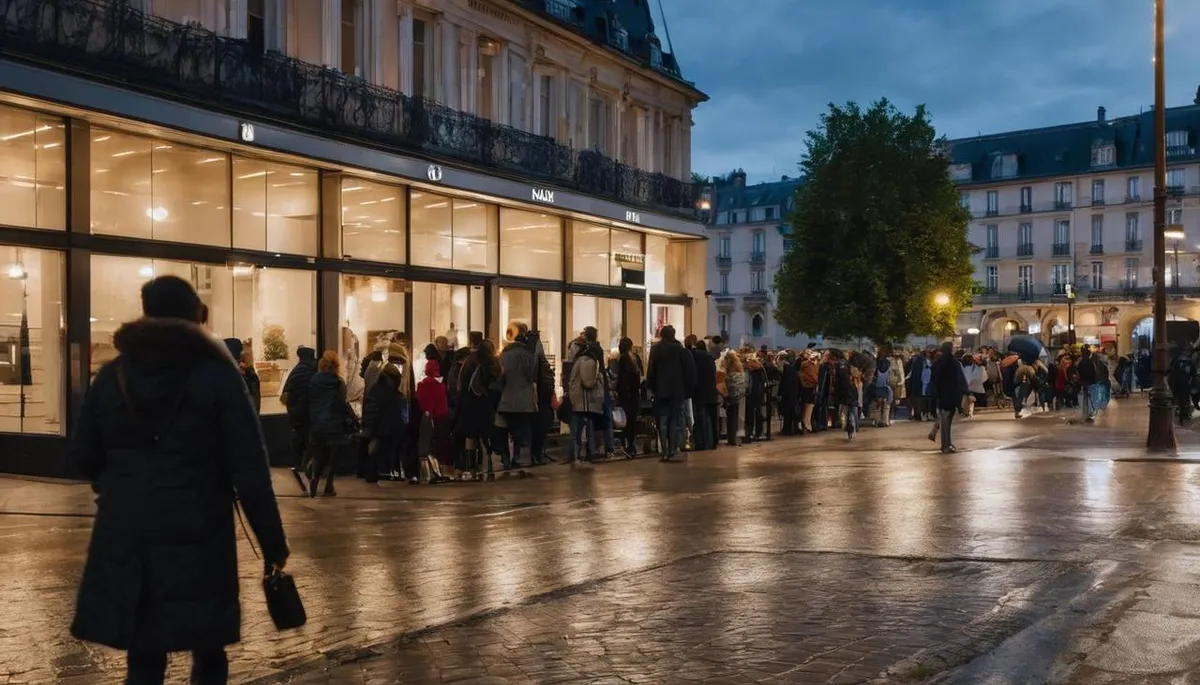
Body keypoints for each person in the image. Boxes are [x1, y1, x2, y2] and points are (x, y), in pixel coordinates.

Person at [69, 276, 288, 685]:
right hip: (200, 531)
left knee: (144, 650)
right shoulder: (219, 377)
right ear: (196, 317)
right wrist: (273, 544)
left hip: (130, 532)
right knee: (207, 648)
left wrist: (122, 482)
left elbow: (82, 456)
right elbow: (250, 467)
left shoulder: (113, 375)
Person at [307, 350, 354, 496]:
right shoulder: (339, 382)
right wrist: (350, 417)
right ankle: (329, 485)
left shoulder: (313, 380)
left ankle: (315, 477)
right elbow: (342, 403)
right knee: (333, 456)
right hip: (334, 422)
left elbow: (309, 399)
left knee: (318, 454)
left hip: (316, 421)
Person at [646, 325, 696, 461]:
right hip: (677, 392)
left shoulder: (656, 350)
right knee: (675, 421)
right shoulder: (681, 350)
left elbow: (651, 371)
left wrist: (651, 387)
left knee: (662, 421)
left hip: (661, 392)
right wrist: (688, 390)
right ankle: (673, 449)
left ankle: (665, 450)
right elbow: (690, 372)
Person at [497, 322, 540, 468]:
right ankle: (517, 457)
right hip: (524, 401)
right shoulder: (529, 355)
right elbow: (531, 375)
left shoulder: (505, 355)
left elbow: (500, 377)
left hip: (507, 399)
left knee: (506, 430)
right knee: (520, 431)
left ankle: (506, 458)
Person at [360, 360, 410, 484]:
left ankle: (375, 472)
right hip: (382, 428)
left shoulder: (379, 390)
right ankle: (375, 472)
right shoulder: (385, 391)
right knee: (376, 449)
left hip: (382, 427)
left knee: (376, 450)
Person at [567, 327, 608, 462]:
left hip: (581, 398)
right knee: (590, 425)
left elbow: (585, 381)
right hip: (590, 399)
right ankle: (591, 452)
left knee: (577, 427)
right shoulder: (595, 356)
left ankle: (575, 453)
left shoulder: (582, 360)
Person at [281, 346, 317, 475]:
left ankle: (300, 463)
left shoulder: (297, 370)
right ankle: (302, 464)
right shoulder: (307, 370)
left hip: (295, 410)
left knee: (301, 436)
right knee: (304, 437)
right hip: (302, 411)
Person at [930, 341, 968, 453]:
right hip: (951, 394)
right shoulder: (954, 363)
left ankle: (945, 444)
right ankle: (946, 445)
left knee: (943, 419)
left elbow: (933, 379)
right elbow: (960, 380)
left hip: (940, 394)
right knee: (947, 421)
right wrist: (965, 392)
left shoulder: (937, 363)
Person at [615, 338, 644, 456]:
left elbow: (620, 378)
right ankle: (631, 445)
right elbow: (640, 376)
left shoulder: (622, 359)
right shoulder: (635, 359)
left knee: (623, 421)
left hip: (625, 395)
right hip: (634, 394)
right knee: (632, 421)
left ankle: (625, 445)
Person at [832, 349, 859, 440]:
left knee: (847, 411)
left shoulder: (841, 364)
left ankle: (850, 428)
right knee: (851, 410)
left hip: (847, 391)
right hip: (851, 390)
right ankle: (853, 428)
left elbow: (844, 379)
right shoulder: (846, 364)